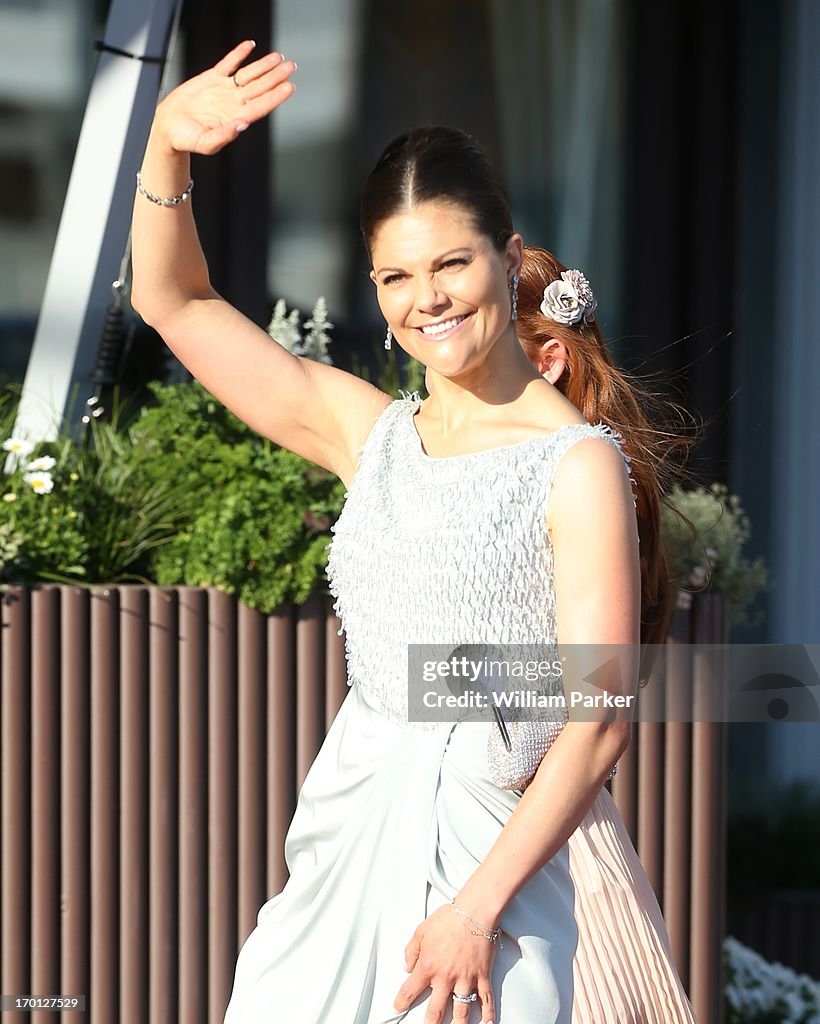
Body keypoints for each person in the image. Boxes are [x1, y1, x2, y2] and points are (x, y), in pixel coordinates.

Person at [131, 41, 696, 1024]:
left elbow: (598, 716)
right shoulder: (369, 432)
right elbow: (174, 302)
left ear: (508, 259)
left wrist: (475, 908)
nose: (424, 298)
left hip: (490, 882)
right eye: (394, 277)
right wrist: (164, 152)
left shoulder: (578, 467)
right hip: (341, 841)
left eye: (448, 263)